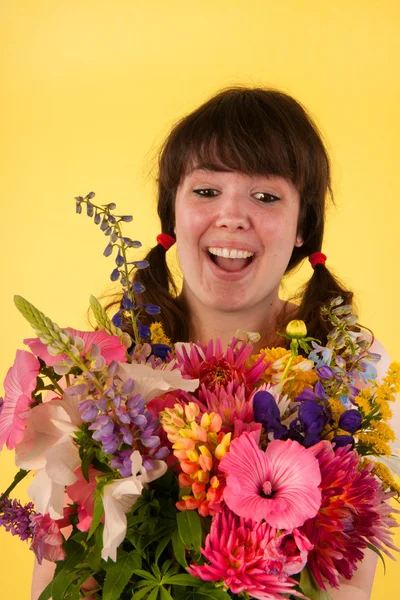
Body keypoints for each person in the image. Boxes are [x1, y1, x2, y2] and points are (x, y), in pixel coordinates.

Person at [32, 86, 396, 599]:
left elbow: (347, 584)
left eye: (266, 196)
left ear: (302, 229)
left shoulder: (351, 374)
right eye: (206, 192)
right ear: (172, 216)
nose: (231, 216)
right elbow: (59, 578)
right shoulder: (103, 372)